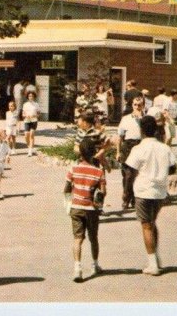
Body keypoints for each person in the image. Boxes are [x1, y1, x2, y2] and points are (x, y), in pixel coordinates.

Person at [125, 115, 175, 276]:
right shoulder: (164, 148)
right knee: (152, 223)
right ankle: (155, 258)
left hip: (143, 190)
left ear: (141, 130)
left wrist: (126, 193)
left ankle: (153, 264)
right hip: (160, 192)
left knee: (146, 225)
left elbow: (129, 172)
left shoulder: (139, 148)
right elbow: (173, 167)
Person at [64, 137, 106, 282]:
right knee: (93, 238)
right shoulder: (98, 172)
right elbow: (102, 193)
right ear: (94, 153)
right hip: (91, 209)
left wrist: (69, 203)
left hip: (76, 208)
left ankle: (77, 268)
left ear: (80, 153)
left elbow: (67, 189)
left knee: (77, 239)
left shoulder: (73, 169)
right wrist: (99, 205)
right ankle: (95, 265)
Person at [116, 97, 144, 209]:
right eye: (135, 105)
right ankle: (126, 198)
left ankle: (134, 199)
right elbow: (119, 137)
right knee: (127, 175)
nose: (137, 107)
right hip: (128, 146)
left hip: (140, 145)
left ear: (143, 106)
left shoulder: (145, 119)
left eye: (139, 105)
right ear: (132, 105)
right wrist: (118, 152)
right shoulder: (125, 119)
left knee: (138, 175)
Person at [21, 91, 41, 157]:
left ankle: (30, 151)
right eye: (29, 96)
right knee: (26, 135)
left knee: (32, 134)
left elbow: (38, 113)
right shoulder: (25, 104)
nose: (31, 97)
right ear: (27, 97)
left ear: (34, 97)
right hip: (27, 121)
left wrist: (35, 116)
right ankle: (29, 147)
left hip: (34, 121)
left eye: (32, 96)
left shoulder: (36, 104)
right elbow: (23, 114)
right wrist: (26, 116)